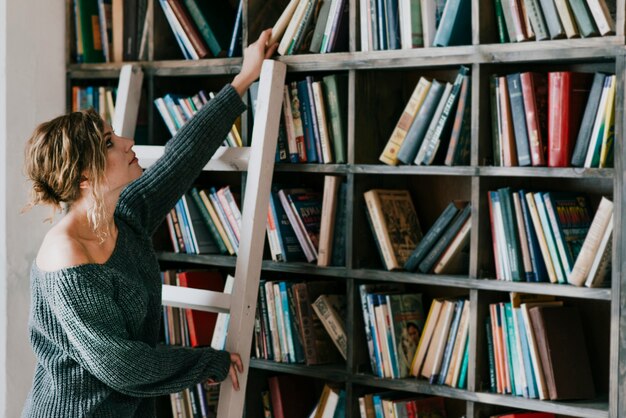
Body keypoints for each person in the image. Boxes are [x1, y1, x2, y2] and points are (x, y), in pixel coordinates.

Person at [20, 28, 278, 418]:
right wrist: (205, 361)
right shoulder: (67, 257)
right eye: (109, 143)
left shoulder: (124, 215)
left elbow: (183, 157)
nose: (126, 142)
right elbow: (121, 366)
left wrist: (243, 80)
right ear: (84, 177)